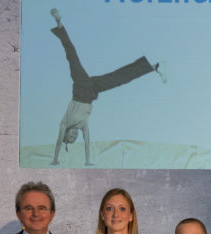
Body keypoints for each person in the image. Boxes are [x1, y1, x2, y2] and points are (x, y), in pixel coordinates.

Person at [48, 8, 166, 167]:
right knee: (119, 79)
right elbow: (87, 143)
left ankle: (58, 21)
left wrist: (55, 159)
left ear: (66, 133)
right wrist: (87, 161)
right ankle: (153, 67)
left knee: (72, 55)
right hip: (92, 91)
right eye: (74, 138)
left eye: (69, 137)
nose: (73, 136)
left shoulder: (64, 123)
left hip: (80, 86)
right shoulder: (83, 126)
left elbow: (58, 142)